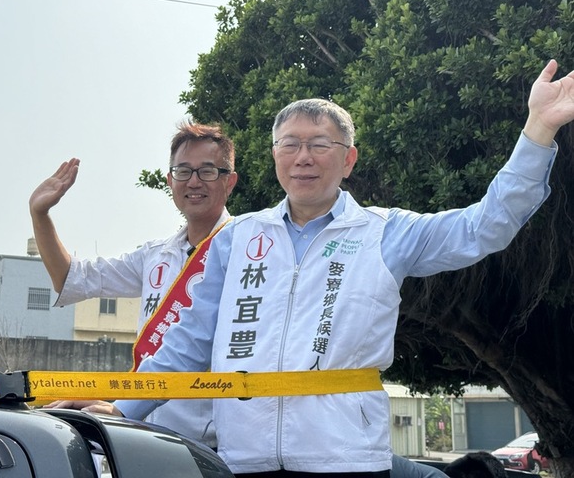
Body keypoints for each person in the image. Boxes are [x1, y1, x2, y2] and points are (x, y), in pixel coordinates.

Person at [50, 59, 574, 477]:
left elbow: (485, 227)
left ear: (348, 159)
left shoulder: (384, 232)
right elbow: (187, 341)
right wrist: (124, 409)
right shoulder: (235, 239)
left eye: (320, 145)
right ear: (274, 156)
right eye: (290, 144)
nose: (303, 157)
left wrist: (537, 130)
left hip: (346, 458)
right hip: (243, 459)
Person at [28, 121, 238, 449]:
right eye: (183, 171)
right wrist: (40, 215)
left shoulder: (249, 249)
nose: (194, 182)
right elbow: (73, 279)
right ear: (170, 181)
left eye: (207, 171)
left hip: (213, 445)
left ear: (230, 182)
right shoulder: (155, 255)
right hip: (145, 434)